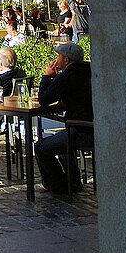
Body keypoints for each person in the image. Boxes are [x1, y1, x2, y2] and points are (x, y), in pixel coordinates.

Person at [34, 42, 94, 194]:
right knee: (61, 141)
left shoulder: (67, 76)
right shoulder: (88, 71)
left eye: (59, 56)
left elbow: (44, 99)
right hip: (93, 128)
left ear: (66, 60)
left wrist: (47, 77)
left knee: (41, 147)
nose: (57, 59)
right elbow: (69, 99)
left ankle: (58, 184)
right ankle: (72, 182)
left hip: (80, 130)